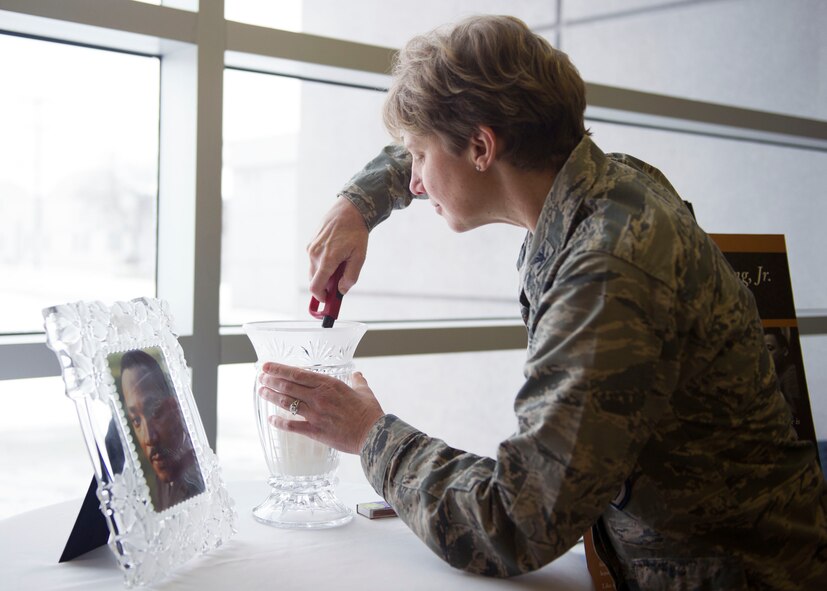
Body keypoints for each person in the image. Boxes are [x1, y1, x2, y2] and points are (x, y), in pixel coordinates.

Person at [257, 15, 827, 589]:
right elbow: (446, 137)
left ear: (482, 146)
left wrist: (370, 435)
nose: (415, 184)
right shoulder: (613, 184)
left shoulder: (607, 269)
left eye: (419, 157)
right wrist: (358, 205)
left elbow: (518, 522)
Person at [120, 349, 205, 512]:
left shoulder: (195, 480)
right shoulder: (163, 477)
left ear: (175, 407)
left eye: (154, 411)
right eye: (136, 420)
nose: (149, 438)